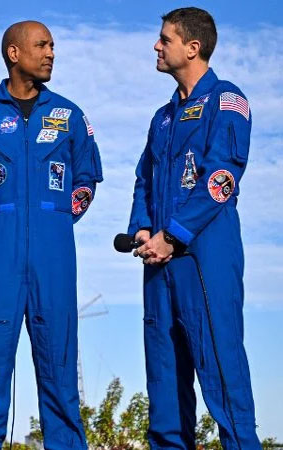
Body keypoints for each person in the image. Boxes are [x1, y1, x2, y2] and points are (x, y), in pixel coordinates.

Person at [0, 21, 102, 449]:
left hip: (54, 257)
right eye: (41, 45)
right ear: (14, 53)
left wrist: (54, 221)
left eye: (52, 45)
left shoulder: (69, 115)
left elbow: (86, 180)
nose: (51, 52)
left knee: (61, 374)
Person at [129, 7, 261, 449]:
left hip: (205, 256)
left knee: (222, 373)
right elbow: (144, 179)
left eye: (165, 39)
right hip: (158, 262)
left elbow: (222, 177)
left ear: (193, 47)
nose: (156, 45)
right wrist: (143, 229)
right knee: (164, 383)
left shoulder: (227, 100)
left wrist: (173, 235)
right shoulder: (162, 118)